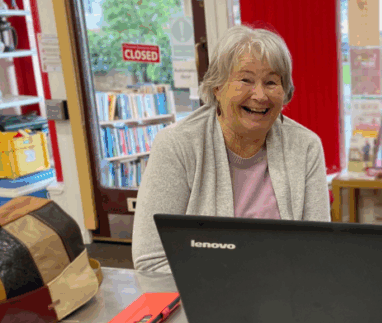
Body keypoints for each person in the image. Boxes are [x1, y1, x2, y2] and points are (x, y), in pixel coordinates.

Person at [132, 26, 330, 272]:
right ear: (217, 87)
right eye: (245, 80)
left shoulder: (306, 146)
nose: (260, 95)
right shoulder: (176, 145)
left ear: (284, 91)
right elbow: (151, 260)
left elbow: (318, 249)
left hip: (284, 292)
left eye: (271, 82)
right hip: (202, 295)